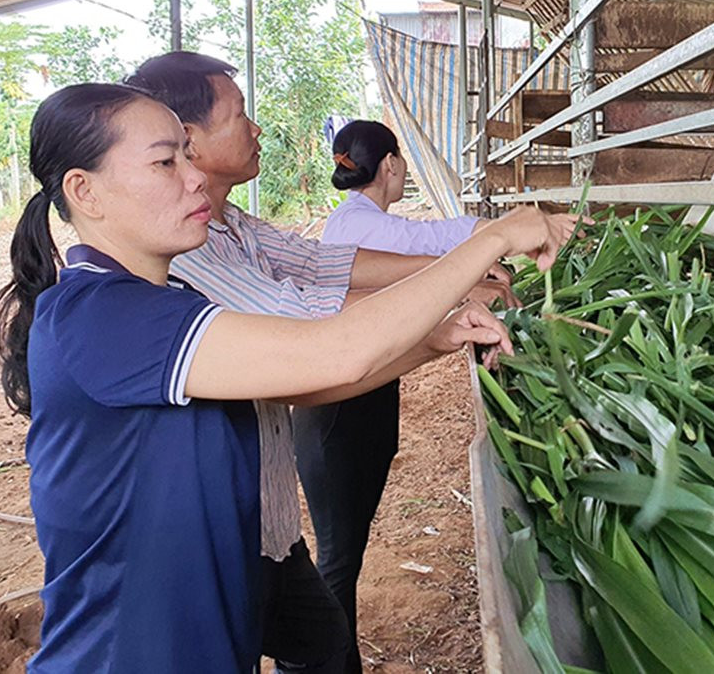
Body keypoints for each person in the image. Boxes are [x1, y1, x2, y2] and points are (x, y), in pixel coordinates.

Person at [0, 82, 577, 673]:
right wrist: (492, 239)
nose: (193, 178)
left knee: (318, 638)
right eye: (165, 162)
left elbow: (297, 378)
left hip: (198, 637)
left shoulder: (171, 300)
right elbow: (333, 352)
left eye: (187, 156)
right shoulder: (105, 316)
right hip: (128, 654)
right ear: (84, 191)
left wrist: (433, 338)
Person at [124, 51, 514, 673]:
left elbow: (322, 268)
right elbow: (314, 333)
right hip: (211, 542)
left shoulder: (235, 229)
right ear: (186, 144)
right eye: (240, 115)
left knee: (325, 648)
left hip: (268, 524)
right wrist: (474, 262)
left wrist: (450, 304)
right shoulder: (172, 263)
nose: (256, 129)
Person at [293, 119, 495, 645]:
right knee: (339, 555)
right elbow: (436, 240)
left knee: (345, 550)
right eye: (401, 159)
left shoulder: (353, 219)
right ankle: (330, 661)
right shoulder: (367, 227)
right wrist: (506, 231)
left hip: (357, 402)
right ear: (389, 165)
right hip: (339, 413)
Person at [321, 119, 489, 254]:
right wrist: (501, 228)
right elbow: (435, 238)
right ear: (391, 163)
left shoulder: (339, 218)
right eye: (401, 155)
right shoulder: (372, 226)